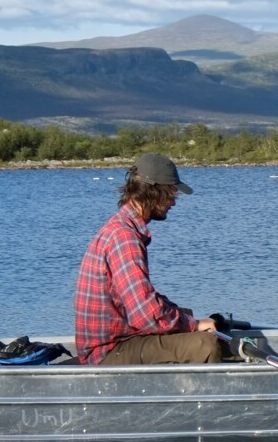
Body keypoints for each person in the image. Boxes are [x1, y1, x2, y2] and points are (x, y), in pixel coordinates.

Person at [74, 152, 220, 365]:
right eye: (171, 194)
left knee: (193, 327)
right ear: (154, 192)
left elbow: (141, 301)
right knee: (205, 345)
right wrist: (193, 325)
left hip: (122, 341)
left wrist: (182, 315)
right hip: (109, 351)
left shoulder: (120, 228)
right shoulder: (124, 237)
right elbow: (144, 313)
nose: (173, 202)